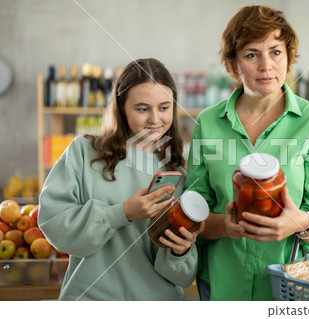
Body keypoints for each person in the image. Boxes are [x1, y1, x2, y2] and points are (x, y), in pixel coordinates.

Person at [184, 5, 309, 300]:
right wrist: (225, 225)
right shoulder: (207, 123)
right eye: (251, 54)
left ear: (288, 56)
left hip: (288, 288)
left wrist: (300, 222)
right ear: (233, 64)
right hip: (221, 283)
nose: (266, 65)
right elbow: (196, 213)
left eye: (275, 52)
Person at [38, 58, 204, 301]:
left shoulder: (176, 170)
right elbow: (53, 222)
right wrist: (124, 212)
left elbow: (181, 277)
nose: (155, 119)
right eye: (142, 108)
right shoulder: (84, 152)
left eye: (164, 107)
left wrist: (181, 250)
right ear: (121, 107)